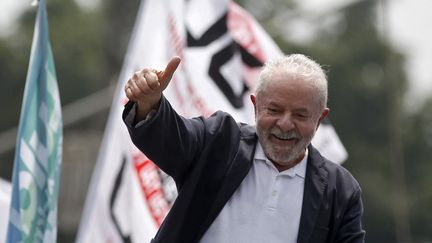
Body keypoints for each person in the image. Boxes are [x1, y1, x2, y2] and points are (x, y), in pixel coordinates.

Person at [122, 54, 365, 243]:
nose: (285, 124)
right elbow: (172, 139)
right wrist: (149, 103)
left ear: (320, 119)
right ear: (256, 105)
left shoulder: (339, 191)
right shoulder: (219, 142)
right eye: (275, 110)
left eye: (300, 115)